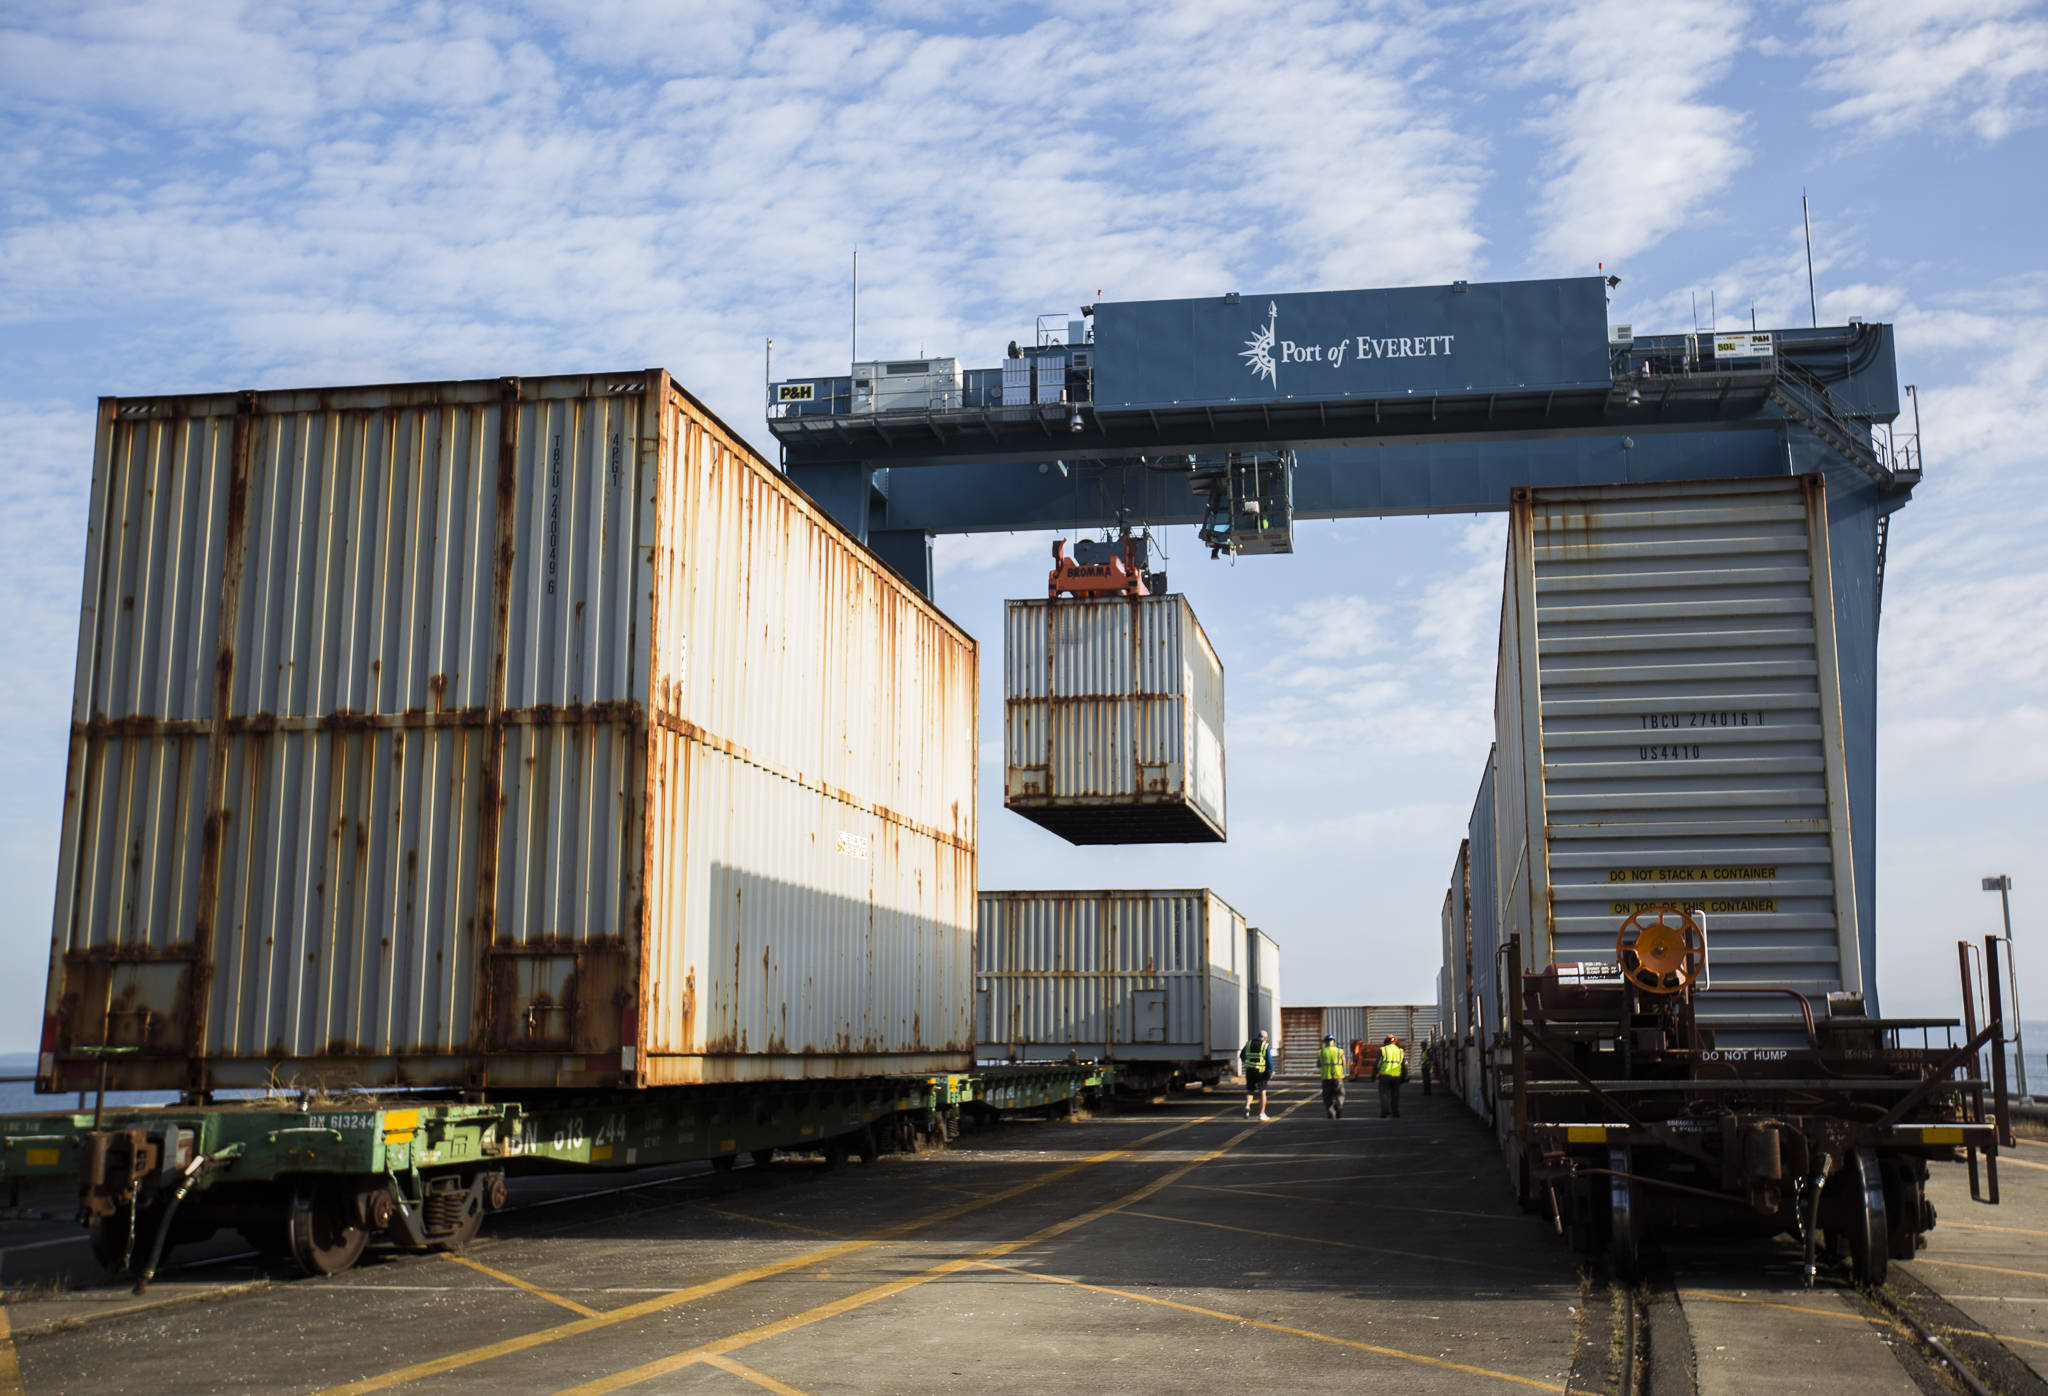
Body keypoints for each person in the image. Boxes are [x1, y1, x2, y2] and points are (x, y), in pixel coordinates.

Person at [1240, 1029, 1272, 1121]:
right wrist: (1271, 1071)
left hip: (1250, 1070)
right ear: (1265, 1038)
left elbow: (1242, 1055)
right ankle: (1262, 1114)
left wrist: (1246, 1063)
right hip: (1261, 1072)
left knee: (1250, 1090)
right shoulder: (1265, 1045)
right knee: (1262, 1092)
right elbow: (1269, 1060)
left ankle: (1247, 1105)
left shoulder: (1249, 1043)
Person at [1377, 1033, 1407, 1118]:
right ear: (1395, 1042)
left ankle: (1385, 1111)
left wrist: (1373, 1074)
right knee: (1395, 1095)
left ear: (1385, 1042)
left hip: (1385, 1075)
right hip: (1396, 1076)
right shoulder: (1400, 1051)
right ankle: (1395, 1112)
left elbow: (1377, 1063)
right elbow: (1404, 1064)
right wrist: (1404, 1076)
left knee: (1384, 1094)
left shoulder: (1383, 1050)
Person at [1317, 1034, 1345, 1119]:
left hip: (1326, 1078)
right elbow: (1343, 1063)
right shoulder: (1340, 1051)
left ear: (1325, 1042)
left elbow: (1318, 1064)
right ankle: (1338, 1107)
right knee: (1340, 1094)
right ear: (1334, 1042)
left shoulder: (1321, 1052)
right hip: (1337, 1077)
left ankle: (1331, 1112)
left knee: (1327, 1097)